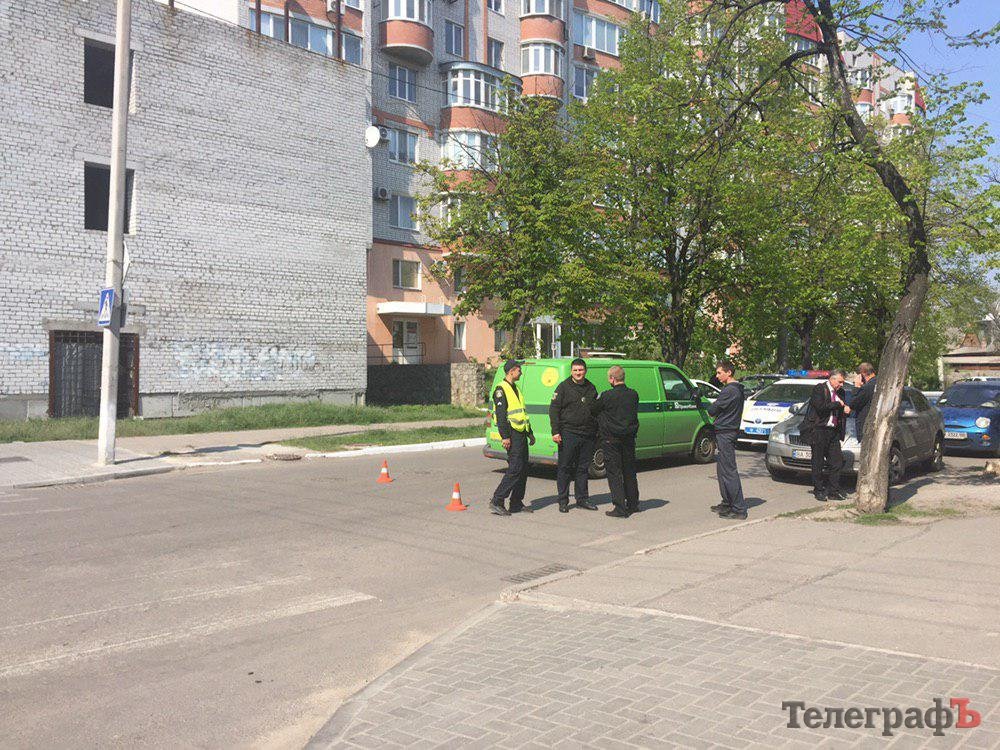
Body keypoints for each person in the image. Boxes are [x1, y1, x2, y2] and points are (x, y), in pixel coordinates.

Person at [549, 358, 600, 513]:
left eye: (581, 370)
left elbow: (596, 410)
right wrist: (555, 431)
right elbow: (554, 410)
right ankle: (563, 501)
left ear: (585, 371)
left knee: (583, 468)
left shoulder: (591, 387)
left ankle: (582, 499)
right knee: (565, 468)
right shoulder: (563, 387)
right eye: (575, 370)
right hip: (569, 433)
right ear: (571, 371)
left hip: (587, 434)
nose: (578, 373)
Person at [591, 365, 639, 518]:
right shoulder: (633, 395)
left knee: (614, 473)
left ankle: (620, 508)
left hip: (611, 440)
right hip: (628, 438)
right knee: (629, 472)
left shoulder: (607, 396)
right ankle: (633, 504)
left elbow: (593, 409)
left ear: (612, 379)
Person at [490, 360, 535, 516]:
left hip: (521, 433)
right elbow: (501, 416)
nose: (521, 372)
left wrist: (530, 433)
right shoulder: (501, 390)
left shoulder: (515, 388)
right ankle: (497, 500)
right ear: (511, 371)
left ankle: (516, 502)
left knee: (523, 469)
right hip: (512, 434)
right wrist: (505, 437)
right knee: (515, 468)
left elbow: (521, 413)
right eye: (519, 370)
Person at [705, 361, 748, 520]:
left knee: (729, 471)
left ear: (729, 372)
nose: (717, 376)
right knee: (722, 470)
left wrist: (701, 400)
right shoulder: (735, 389)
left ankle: (739, 509)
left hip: (726, 433)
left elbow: (712, 410)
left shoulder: (730, 390)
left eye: (719, 372)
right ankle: (727, 502)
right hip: (725, 431)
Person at [800, 369, 851, 502]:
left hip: (833, 431)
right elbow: (820, 407)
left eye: (843, 382)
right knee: (818, 462)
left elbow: (841, 409)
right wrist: (838, 404)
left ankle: (833, 490)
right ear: (832, 379)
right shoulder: (820, 389)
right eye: (839, 382)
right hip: (819, 430)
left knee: (836, 462)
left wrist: (846, 409)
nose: (841, 385)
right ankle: (819, 489)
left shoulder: (841, 392)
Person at [850, 362, 877, 442]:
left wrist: (856, 387)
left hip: (865, 425)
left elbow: (853, 404)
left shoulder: (867, 387)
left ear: (862, 374)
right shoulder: (878, 383)